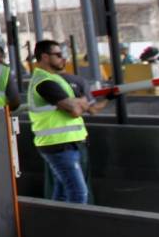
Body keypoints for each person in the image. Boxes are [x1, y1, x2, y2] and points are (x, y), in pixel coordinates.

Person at [28, 39, 109, 204]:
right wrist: (80, 103)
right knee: (79, 193)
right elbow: (75, 110)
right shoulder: (44, 82)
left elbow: (80, 107)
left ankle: (57, 220)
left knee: (63, 193)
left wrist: (78, 103)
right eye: (58, 55)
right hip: (59, 145)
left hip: (64, 143)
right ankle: (76, 221)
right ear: (45, 57)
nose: (63, 58)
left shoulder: (54, 80)